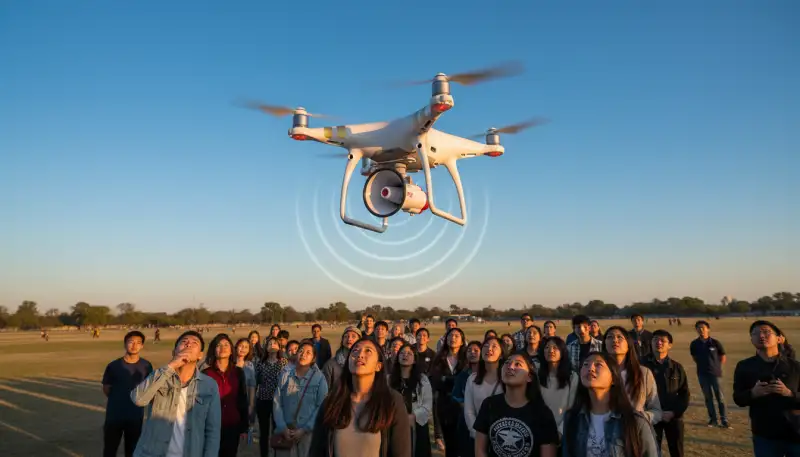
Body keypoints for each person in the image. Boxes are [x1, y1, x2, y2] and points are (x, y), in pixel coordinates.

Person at [308, 338, 411, 457]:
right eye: (355, 351)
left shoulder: (392, 401)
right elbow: (316, 451)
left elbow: (401, 452)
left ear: (378, 366)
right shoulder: (332, 401)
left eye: (368, 351)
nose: (360, 355)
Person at [131, 331, 221, 457]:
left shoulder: (209, 385)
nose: (188, 344)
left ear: (200, 355)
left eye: (194, 343)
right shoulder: (159, 377)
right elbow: (138, 399)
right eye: (184, 342)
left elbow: (213, 431)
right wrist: (172, 365)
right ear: (174, 352)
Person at [562, 352, 659, 457]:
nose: (590, 368)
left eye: (598, 364)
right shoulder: (572, 418)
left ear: (613, 377)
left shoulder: (635, 422)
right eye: (585, 365)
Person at [733, 320, 800, 456]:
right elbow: (738, 399)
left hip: (795, 433)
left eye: (766, 332)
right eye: (755, 333)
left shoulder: (795, 366)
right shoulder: (745, 366)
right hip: (765, 435)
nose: (761, 336)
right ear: (751, 339)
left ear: (779, 338)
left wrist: (789, 393)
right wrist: (753, 393)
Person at [473, 353, 560, 457]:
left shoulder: (542, 413)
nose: (510, 367)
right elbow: (480, 451)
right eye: (507, 363)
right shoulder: (489, 404)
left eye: (518, 364)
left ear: (529, 377)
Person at [273, 340, 328, 457]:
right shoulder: (285, 375)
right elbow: (277, 403)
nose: (303, 354)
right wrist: (283, 427)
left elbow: (321, 406)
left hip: (308, 435)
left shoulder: (319, 378)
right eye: (301, 351)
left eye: (308, 352)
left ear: (313, 358)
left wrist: (305, 429)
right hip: (286, 432)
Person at [102, 330, 153, 457]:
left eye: (138, 343)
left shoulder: (146, 366)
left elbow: (149, 388)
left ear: (142, 346)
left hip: (135, 415)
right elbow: (106, 388)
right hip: (114, 415)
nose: (134, 345)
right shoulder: (114, 365)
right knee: (110, 449)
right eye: (131, 342)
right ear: (125, 344)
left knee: (133, 450)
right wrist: (119, 398)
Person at [642, 329, 690, 457]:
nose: (658, 343)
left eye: (662, 340)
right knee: (650, 452)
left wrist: (674, 412)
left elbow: (684, 394)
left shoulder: (677, 367)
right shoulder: (641, 365)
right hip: (650, 416)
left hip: (673, 417)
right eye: (655, 339)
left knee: (677, 451)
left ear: (670, 345)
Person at [602, 326, 662, 425]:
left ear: (628, 344)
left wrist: (638, 418)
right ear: (604, 344)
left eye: (619, 337)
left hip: (635, 433)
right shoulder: (597, 373)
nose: (615, 340)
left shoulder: (644, 373)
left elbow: (656, 411)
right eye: (610, 337)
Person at [202, 334, 249, 457]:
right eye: (219, 345)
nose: (223, 348)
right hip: (210, 428)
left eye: (226, 345)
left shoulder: (238, 372)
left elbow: (242, 400)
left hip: (232, 426)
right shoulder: (205, 374)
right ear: (213, 350)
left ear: (231, 350)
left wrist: (244, 428)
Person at [390, 343, 433, 457]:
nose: (405, 355)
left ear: (414, 360)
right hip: (393, 424)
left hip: (416, 424)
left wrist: (413, 416)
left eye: (409, 354)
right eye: (402, 353)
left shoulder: (422, 379)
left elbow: (427, 405)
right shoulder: (389, 380)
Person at [463, 337, 504, 457]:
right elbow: (469, 411)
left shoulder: (508, 379)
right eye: (485, 346)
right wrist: (477, 434)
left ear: (502, 354)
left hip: (504, 437)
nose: (489, 349)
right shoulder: (472, 379)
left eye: (494, 346)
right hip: (477, 437)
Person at [430, 327, 467, 457]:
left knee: (463, 443)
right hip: (444, 404)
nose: (453, 338)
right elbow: (436, 380)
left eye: (457, 336)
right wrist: (455, 380)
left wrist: (447, 379)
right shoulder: (439, 358)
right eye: (450, 336)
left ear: (462, 341)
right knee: (449, 442)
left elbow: (466, 380)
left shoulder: (466, 359)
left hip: (462, 405)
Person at [689, 320, 730, 428]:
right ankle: (713, 419)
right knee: (708, 397)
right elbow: (695, 358)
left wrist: (717, 367)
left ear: (708, 329)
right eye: (698, 328)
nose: (701, 330)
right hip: (702, 374)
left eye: (703, 327)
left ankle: (724, 419)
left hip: (715, 374)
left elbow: (722, 356)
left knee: (720, 397)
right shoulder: (694, 344)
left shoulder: (715, 343)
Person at [538, 336, 578, 438]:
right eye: (547, 347)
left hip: (563, 432)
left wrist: (560, 432)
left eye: (555, 348)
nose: (550, 351)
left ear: (563, 351)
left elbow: (571, 409)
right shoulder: (537, 376)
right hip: (539, 431)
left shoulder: (572, 377)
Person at [254, 336, 287, 457]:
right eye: (270, 343)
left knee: (276, 430)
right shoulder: (260, 363)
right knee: (264, 432)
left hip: (278, 402)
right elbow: (256, 381)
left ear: (279, 347)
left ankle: (276, 453)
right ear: (266, 348)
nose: (272, 345)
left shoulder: (283, 362)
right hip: (263, 400)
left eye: (275, 343)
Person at [234, 338, 257, 424]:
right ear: (236, 347)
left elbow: (252, 386)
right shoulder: (230, 363)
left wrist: (251, 405)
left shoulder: (249, 365)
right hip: (230, 401)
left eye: (246, 347)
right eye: (241, 346)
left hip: (245, 401)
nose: (243, 349)